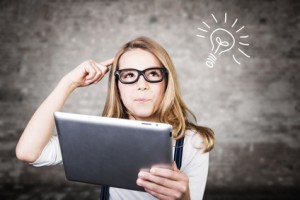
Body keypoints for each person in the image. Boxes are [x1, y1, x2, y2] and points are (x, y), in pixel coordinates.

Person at [16, 36, 215, 199]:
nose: (142, 84)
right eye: (129, 75)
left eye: (152, 74)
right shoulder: (102, 136)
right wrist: (67, 83)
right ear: (117, 87)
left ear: (166, 82)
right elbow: (28, 152)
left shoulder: (194, 142)